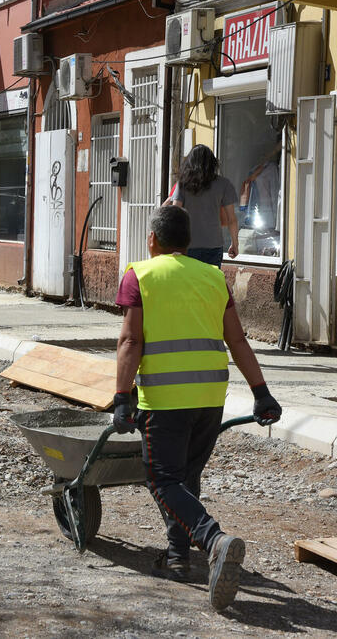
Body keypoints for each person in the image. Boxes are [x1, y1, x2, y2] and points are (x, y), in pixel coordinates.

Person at [112, 205, 281, 611]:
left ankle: (213, 539)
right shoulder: (213, 277)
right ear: (188, 242)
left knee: (163, 480)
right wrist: (261, 392)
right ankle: (178, 558)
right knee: (185, 478)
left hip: (165, 400)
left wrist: (120, 398)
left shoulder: (140, 275)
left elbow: (131, 341)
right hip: (209, 399)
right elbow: (237, 340)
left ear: (152, 240)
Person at [169, 145, 238, 268]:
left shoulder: (183, 184)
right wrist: (235, 243)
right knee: (210, 280)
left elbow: (175, 216)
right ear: (213, 163)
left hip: (187, 245)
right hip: (213, 245)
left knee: (190, 280)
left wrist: (173, 244)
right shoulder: (224, 184)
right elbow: (231, 219)